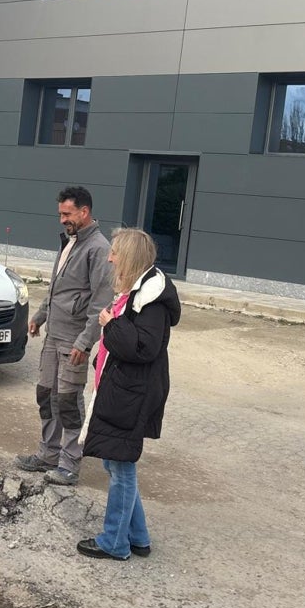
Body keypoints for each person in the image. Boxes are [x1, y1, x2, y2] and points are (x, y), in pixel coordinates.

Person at [75, 228, 180, 560]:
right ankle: (137, 536)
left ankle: (114, 543)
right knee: (115, 461)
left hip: (133, 393)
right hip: (122, 389)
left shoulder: (151, 301)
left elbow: (143, 348)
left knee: (120, 465)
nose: (109, 257)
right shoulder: (135, 293)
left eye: (115, 252)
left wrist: (109, 324)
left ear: (130, 257)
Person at [15, 186, 114, 486]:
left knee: (69, 401)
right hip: (53, 336)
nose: (62, 219)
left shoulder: (98, 248)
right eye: (60, 214)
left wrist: (85, 342)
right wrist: (40, 315)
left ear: (85, 212)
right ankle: (48, 454)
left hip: (73, 340)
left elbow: (101, 301)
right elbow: (58, 288)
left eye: (67, 214)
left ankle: (69, 465)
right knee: (46, 395)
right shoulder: (69, 242)